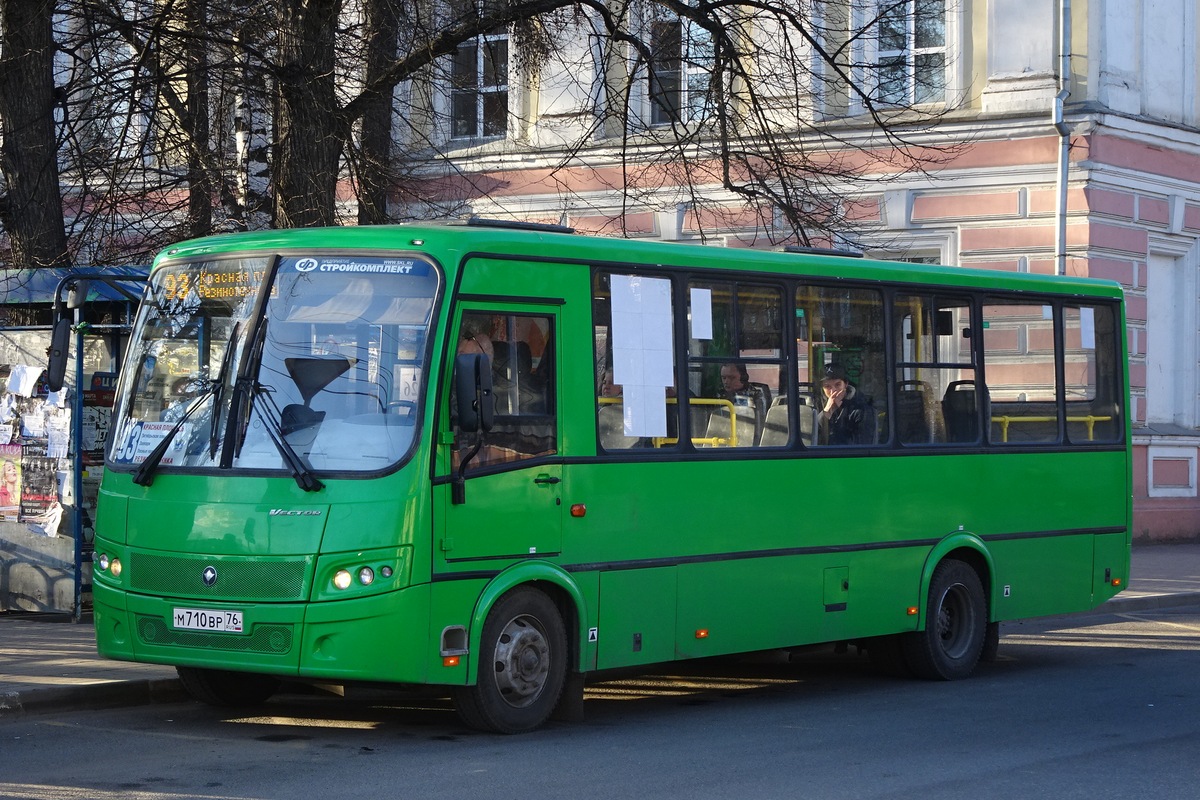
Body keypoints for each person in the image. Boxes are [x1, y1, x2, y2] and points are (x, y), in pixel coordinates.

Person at [817, 362, 876, 445]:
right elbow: (814, 436)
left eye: (837, 385)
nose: (833, 391)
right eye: (827, 386)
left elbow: (862, 443)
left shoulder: (861, 409)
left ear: (846, 384)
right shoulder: (817, 404)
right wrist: (827, 411)